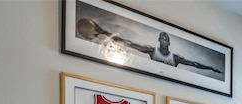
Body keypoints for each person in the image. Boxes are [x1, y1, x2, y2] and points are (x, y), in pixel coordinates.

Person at [76, 18, 222, 73]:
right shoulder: (152, 51)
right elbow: (130, 44)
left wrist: (212, 68)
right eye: (162, 38)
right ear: (159, 41)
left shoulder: (175, 58)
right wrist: (105, 32)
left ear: (169, 42)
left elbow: (195, 64)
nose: (164, 41)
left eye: (166, 39)